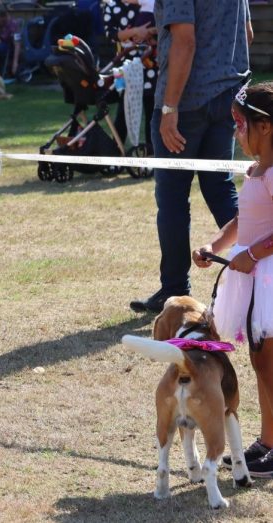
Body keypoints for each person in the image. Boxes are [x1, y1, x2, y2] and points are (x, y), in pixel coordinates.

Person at [129, 0, 252, 313]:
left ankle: (174, 289)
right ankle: (260, 273)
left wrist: (170, 108)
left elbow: (186, 40)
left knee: (171, 197)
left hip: (187, 100)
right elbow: (246, 34)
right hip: (229, 92)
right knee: (219, 186)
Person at [192, 81, 273, 478]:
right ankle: (268, 441)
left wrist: (254, 254)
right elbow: (244, 221)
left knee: (271, 366)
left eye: (242, 125)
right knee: (261, 364)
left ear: (266, 127)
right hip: (254, 275)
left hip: (269, 276)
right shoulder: (256, 171)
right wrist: (215, 243)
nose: (236, 134)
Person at [103, 0, 158, 154]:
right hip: (126, 67)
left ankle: (152, 153)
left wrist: (150, 32)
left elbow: (164, 25)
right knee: (124, 110)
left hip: (151, 65)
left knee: (152, 111)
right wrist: (136, 31)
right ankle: (116, 152)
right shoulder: (112, 6)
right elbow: (112, 34)